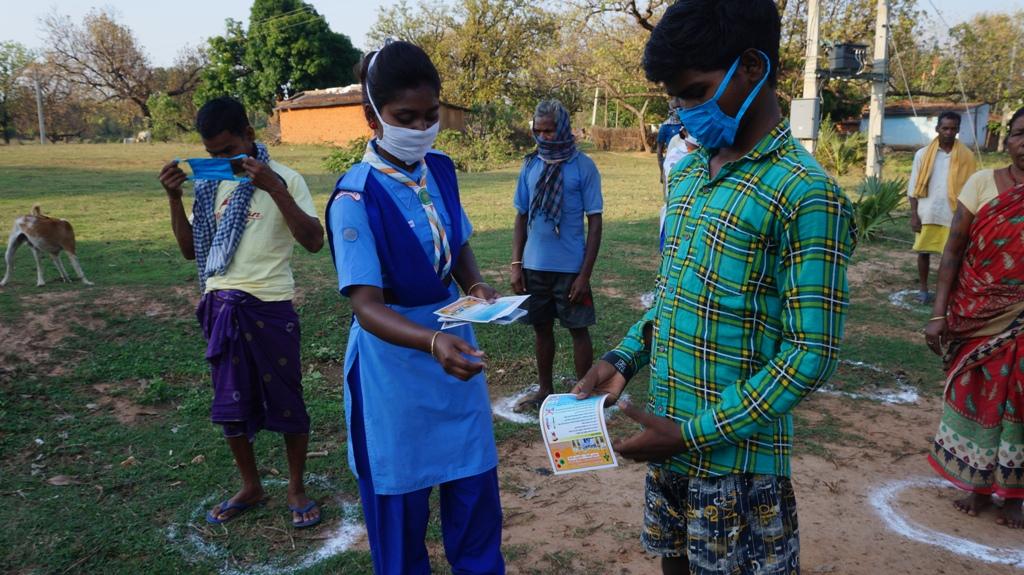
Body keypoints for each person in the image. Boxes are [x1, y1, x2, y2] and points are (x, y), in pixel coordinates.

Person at [573, 1, 857, 574]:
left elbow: (810, 356)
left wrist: (694, 434)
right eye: (675, 99)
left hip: (739, 466)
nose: (682, 112)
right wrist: (625, 356)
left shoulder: (805, 195)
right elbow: (679, 293)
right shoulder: (687, 174)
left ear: (751, 66)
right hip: (670, 441)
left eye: (696, 93)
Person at [326, 41, 505, 574]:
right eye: (406, 118)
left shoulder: (440, 170)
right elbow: (365, 306)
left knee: (474, 497)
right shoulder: (354, 199)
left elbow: (458, 243)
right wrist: (430, 340)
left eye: (431, 115)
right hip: (395, 370)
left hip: (455, 356)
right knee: (400, 519)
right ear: (372, 116)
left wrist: (473, 286)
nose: (422, 128)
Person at [157, 96, 325, 528]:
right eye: (213, 155)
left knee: (288, 400)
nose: (222, 160)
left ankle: (295, 487)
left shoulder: (286, 178)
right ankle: (250, 485)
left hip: (270, 305)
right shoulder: (211, 186)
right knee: (230, 403)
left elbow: (312, 240)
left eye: (230, 151)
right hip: (221, 306)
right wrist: (175, 198)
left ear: (250, 136)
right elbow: (188, 250)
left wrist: (274, 188)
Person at [924, 107, 1024, 530]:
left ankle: (1016, 491)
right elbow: (953, 250)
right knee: (976, 391)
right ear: (1007, 140)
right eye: (1020, 133)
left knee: (1019, 399)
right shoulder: (982, 183)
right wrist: (938, 312)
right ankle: (977, 483)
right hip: (976, 309)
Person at [510, 99, 603, 411]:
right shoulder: (530, 165)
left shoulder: (583, 166)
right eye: (538, 130)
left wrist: (584, 274)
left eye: (549, 130)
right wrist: (516, 265)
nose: (542, 137)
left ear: (562, 127)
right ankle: (545, 390)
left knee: (578, 329)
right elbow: (521, 216)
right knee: (541, 329)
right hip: (535, 265)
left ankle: (582, 392)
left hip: (571, 269)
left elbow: (596, 221)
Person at [908, 111, 977, 304]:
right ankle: (923, 289)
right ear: (937, 128)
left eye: (953, 128)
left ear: (958, 130)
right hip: (927, 212)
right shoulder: (922, 154)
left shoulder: (967, 156)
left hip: (954, 214)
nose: (948, 132)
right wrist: (914, 215)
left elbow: (972, 188)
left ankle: (946, 292)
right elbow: (913, 187)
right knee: (923, 253)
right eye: (944, 128)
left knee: (953, 255)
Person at [655, 101, 684, 185]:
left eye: (679, 107)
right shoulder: (665, 126)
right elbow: (659, 151)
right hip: (671, 165)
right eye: (675, 108)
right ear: (671, 110)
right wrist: (662, 171)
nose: (678, 110)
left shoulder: (687, 124)